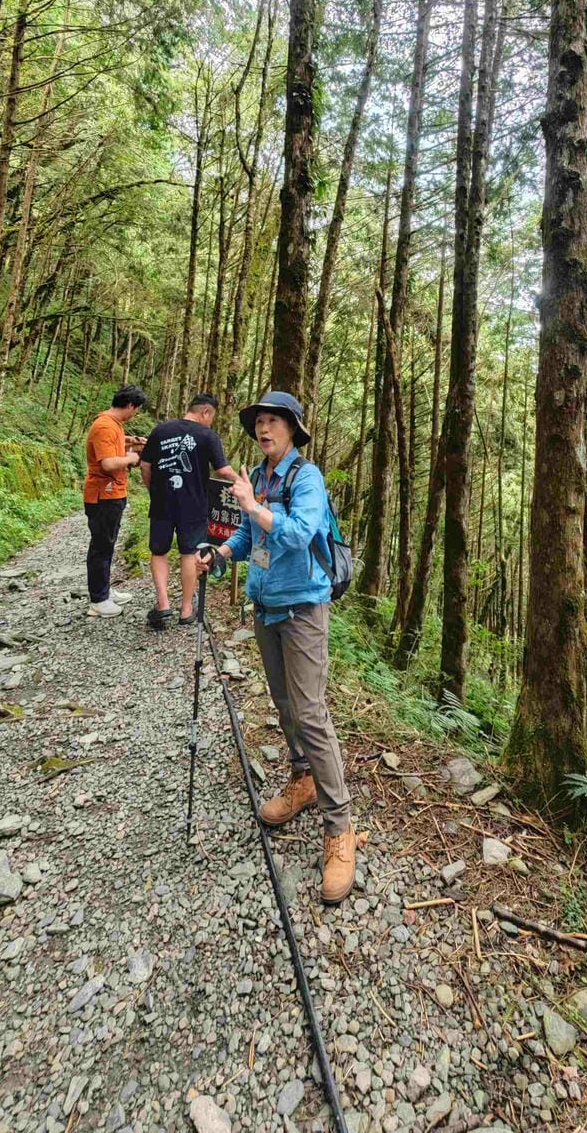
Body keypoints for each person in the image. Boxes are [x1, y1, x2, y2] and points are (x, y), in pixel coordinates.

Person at [200, 390, 355, 903]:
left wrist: (251, 507)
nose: (264, 429)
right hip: (266, 607)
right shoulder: (260, 477)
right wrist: (221, 552)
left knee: (310, 712)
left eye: (273, 422)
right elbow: (251, 537)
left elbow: (297, 532)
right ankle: (301, 779)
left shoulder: (305, 478)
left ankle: (340, 827)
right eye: (259, 422)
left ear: (292, 429)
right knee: (285, 705)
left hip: (304, 609)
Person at [139, 393, 236, 628]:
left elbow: (145, 465)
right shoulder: (207, 435)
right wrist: (246, 485)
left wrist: (153, 489)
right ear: (206, 412)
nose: (210, 421)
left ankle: (163, 605)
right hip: (193, 505)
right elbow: (223, 470)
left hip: (162, 502)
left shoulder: (160, 430)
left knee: (159, 551)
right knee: (190, 553)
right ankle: (186, 609)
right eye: (211, 417)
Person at [83, 384, 148, 618]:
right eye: (136, 409)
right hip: (103, 495)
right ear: (130, 405)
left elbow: (114, 442)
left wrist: (130, 441)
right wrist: (131, 458)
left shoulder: (115, 425)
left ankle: (104, 590)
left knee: (108, 544)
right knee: (101, 546)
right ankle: (98, 600)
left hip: (113, 493)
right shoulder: (104, 426)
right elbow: (108, 463)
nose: (135, 414)